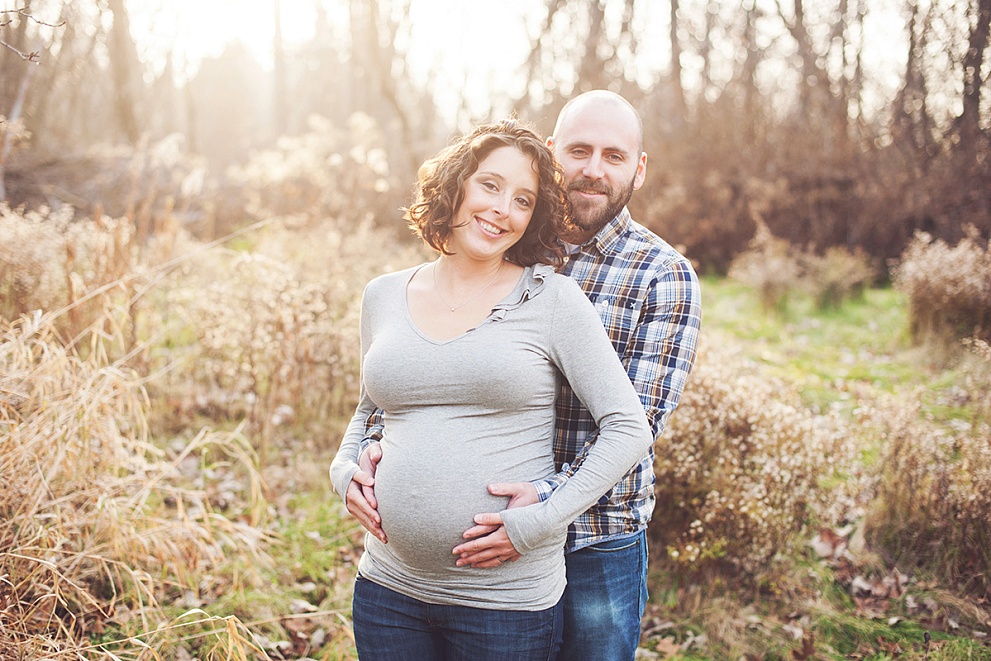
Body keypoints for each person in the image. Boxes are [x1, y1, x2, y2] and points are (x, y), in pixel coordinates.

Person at [349, 91, 703, 661]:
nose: (593, 168)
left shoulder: (663, 275)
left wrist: (540, 508)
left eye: (614, 156)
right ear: (552, 155)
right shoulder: (508, 244)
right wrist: (366, 455)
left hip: (595, 539)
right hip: (414, 574)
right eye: (579, 151)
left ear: (639, 169)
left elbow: (636, 421)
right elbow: (412, 382)